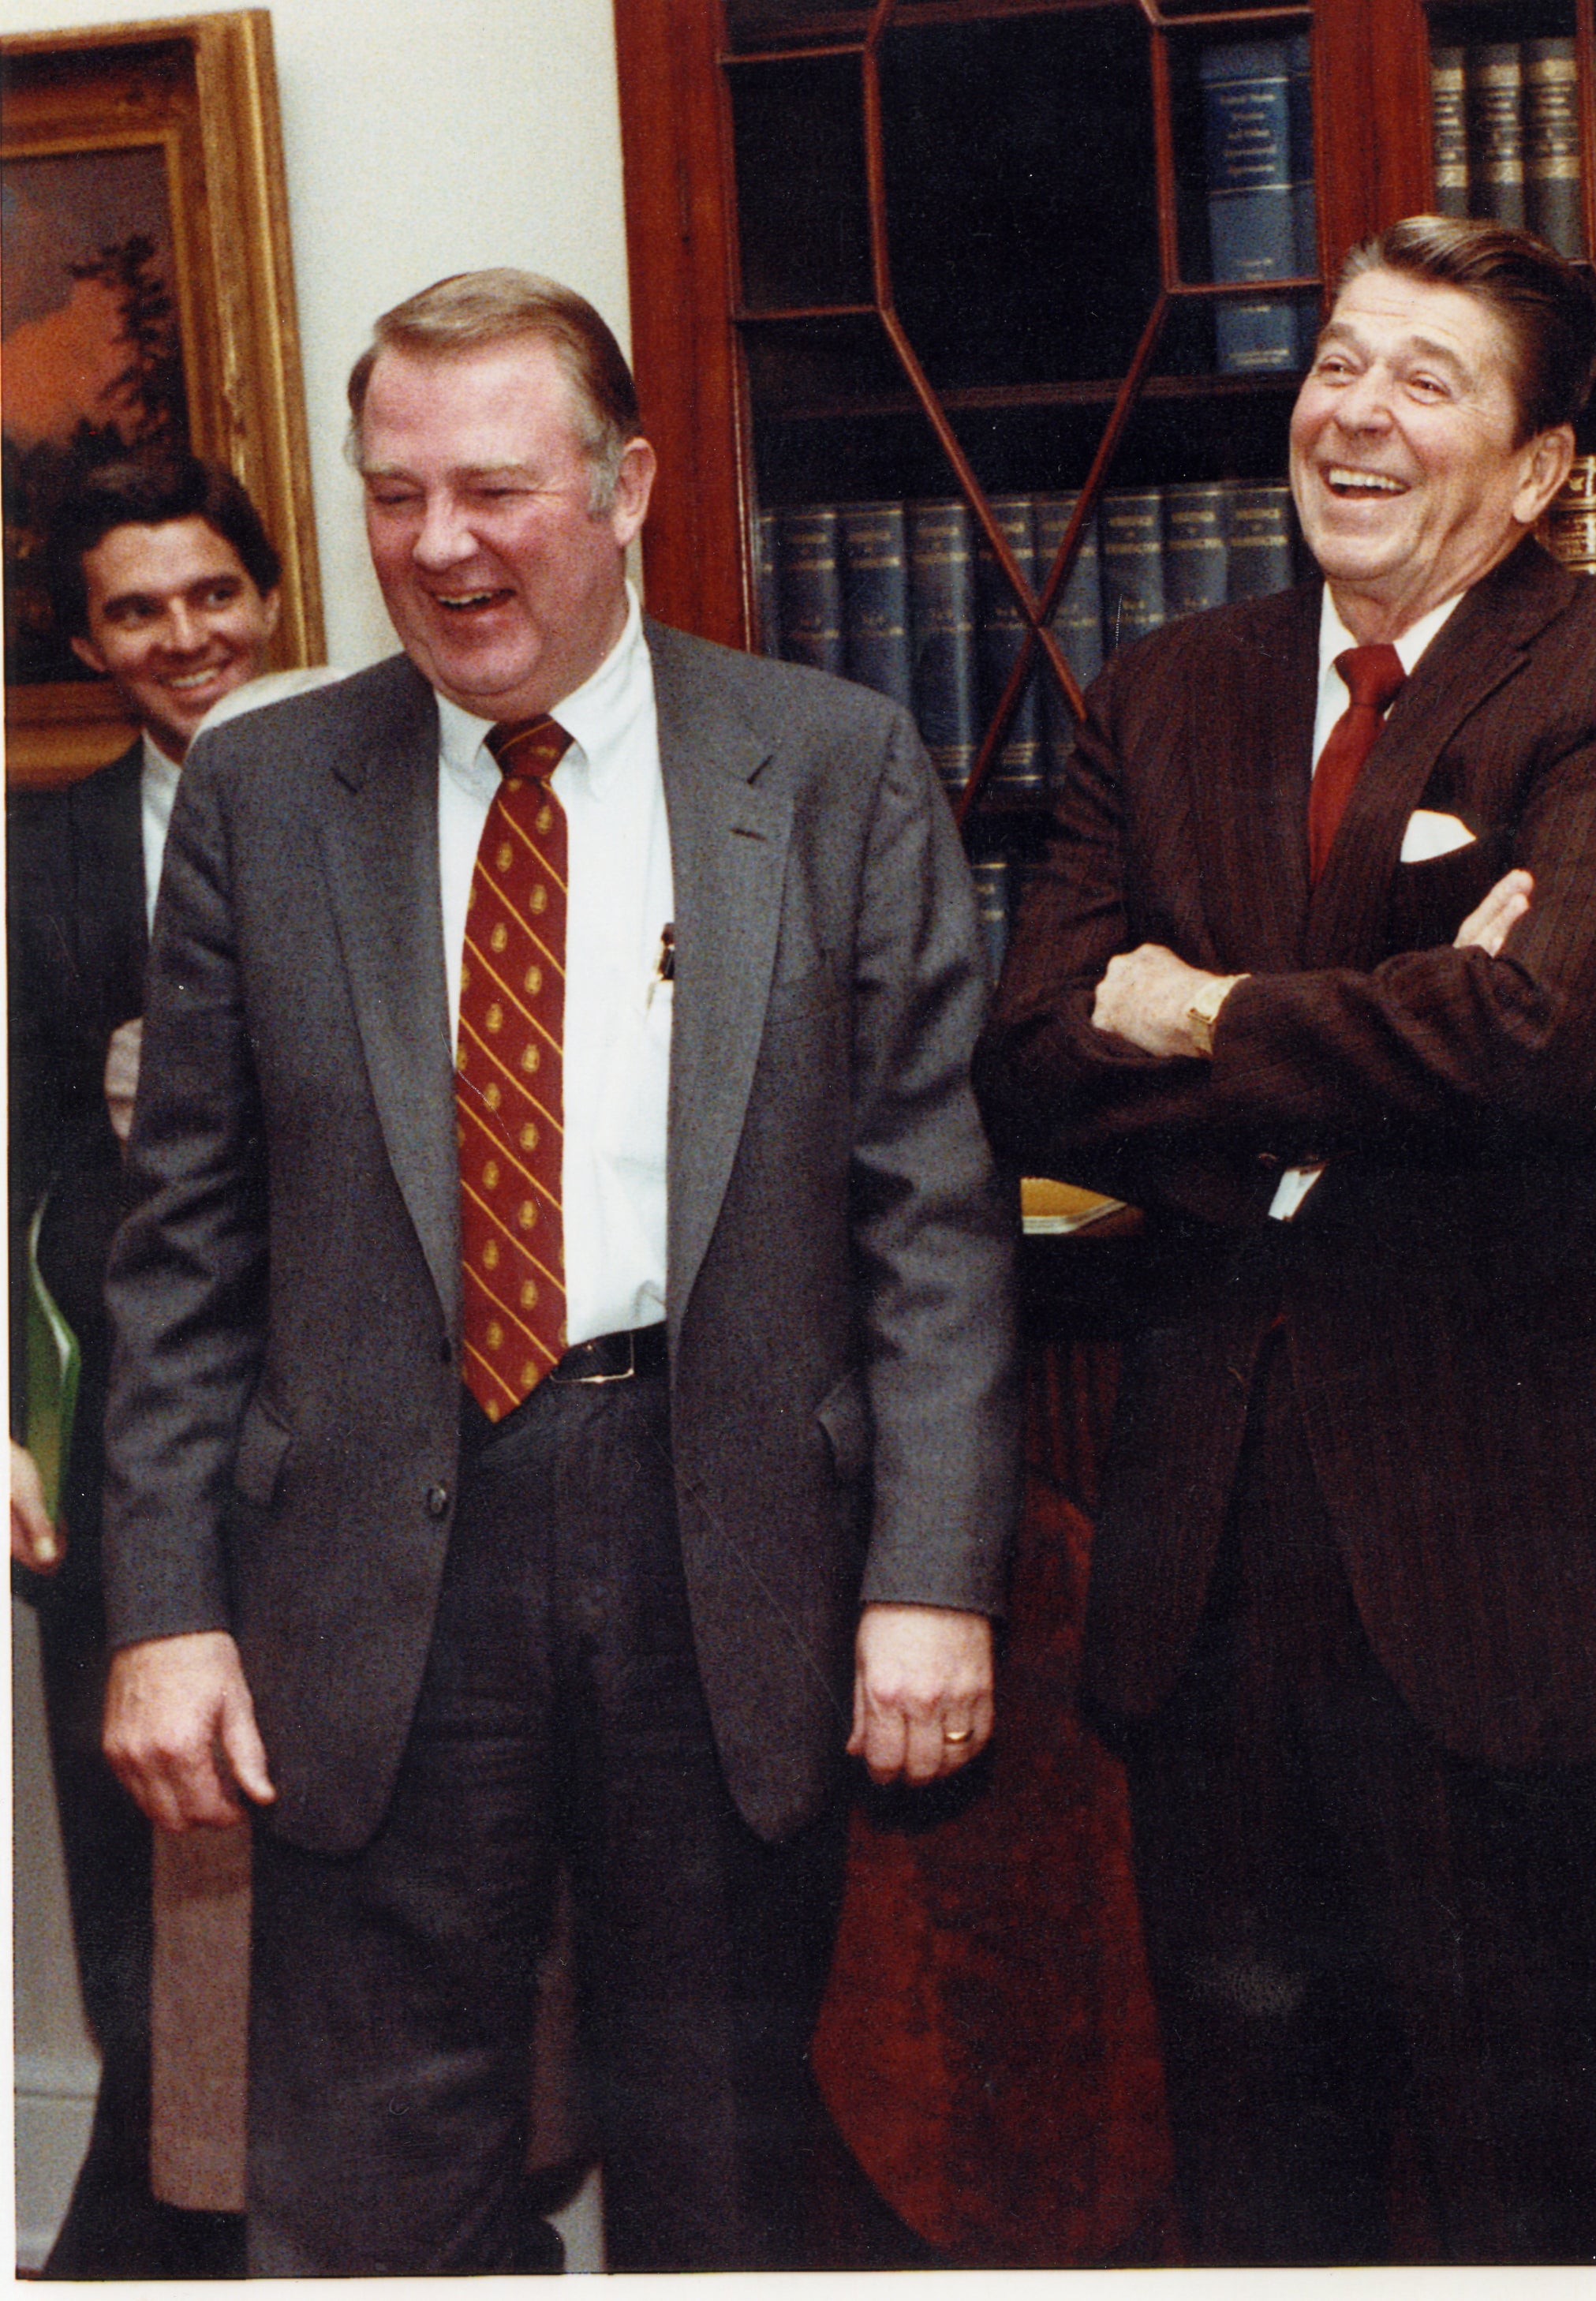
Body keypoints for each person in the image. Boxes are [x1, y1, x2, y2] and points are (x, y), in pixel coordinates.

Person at [99, 268, 1019, 2276]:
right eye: (396, 494)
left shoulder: (829, 765)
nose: (442, 546)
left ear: (627, 487)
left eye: (497, 490)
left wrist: (932, 1577)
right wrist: (162, 1609)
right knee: (372, 2188)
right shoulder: (266, 791)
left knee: (726, 2169)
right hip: (372, 1561)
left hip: (723, 1539)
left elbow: (930, 1220)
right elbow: (184, 1255)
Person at [974, 216, 1596, 2265]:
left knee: (1541, 2203)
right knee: (1258, 2203)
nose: (1355, 415)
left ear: (1536, 467)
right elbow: (1032, 1062)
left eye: (1424, 379)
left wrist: (1199, 1010)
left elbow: (1541, 1044)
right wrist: (1402, 1023)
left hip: (1510, 1597)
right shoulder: (1160, 692)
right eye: (1337, 362)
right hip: (1210, 1586)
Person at [9, 453, 282, 2277]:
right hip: (117, 1434)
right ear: (89, 644)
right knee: (144, 1877)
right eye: (136, 611)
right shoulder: (30, 862)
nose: (184, 638)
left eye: (211, 594)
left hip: (356, 1429)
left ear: (267, 596)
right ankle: (156, 2239)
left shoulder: (402, 793)